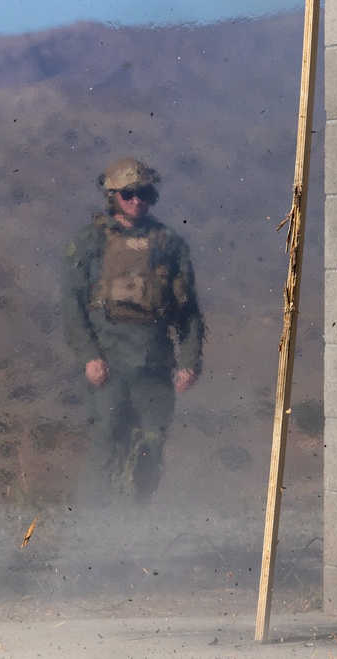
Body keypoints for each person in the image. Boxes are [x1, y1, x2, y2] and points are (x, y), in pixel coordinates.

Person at [62, 156, 204, 504]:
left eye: (145, 194)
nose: (137, 200)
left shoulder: (169, 244)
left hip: (154, 361)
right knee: (108, 438)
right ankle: (94, 524)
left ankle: (136, 527)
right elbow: (71, 307)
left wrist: (188, 361)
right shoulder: (89, 242)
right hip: (109, 361)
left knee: (150, 445)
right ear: (113, 197)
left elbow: (188, 312)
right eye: (129, 194)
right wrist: (89, 357)